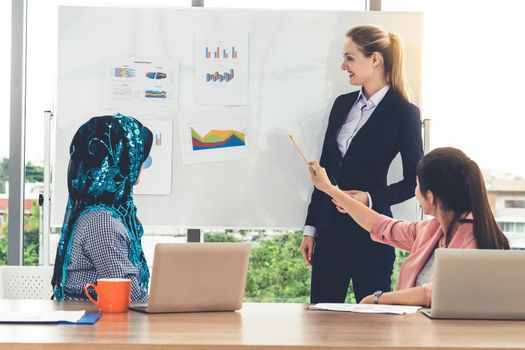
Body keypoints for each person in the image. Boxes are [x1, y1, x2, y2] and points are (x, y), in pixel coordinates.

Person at [301, 25, 423, 303]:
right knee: (321, 321)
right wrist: (310, 229)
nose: (343, 66)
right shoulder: (342, 105)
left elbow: (414, 181)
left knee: (373, 327)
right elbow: (325, 172)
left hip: (372, 235)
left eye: (350, 58)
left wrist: (368, 198)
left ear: (375, 59)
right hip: (329, 233)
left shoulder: (403, 112)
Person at [308, 147, 510, 307]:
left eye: (416, 185)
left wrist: (379, 299)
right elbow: (380, 225)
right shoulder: (431, 230)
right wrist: (328, 189)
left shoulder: (474, 240)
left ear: (429, 196)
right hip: (414, 336)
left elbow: (441, 291)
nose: (415, 192)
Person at [51, 113, 153, 302]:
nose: (141, 166)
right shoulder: (102, 222)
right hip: (99, 328)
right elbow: (129, 297)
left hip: (103, 326)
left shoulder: (98, 212)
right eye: (139, 159)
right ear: (122, 163)